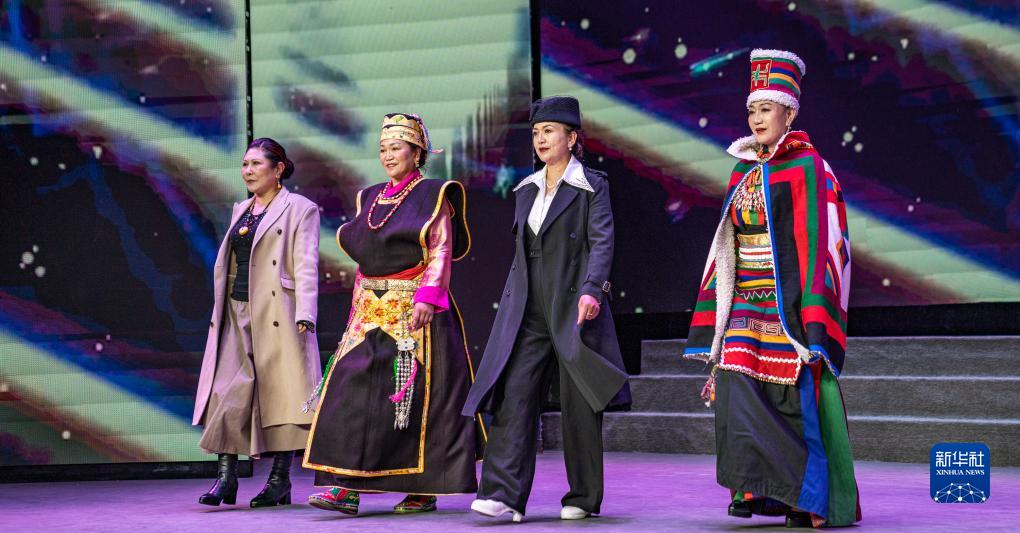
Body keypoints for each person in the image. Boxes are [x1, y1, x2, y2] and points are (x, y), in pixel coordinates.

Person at [683, 49, 861, 528]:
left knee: (791, 402)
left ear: (790, 112)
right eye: (752, 110)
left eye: (766, 109)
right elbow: (728, 242)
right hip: (745, 299)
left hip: (790, 305)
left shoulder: (808, 167)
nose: (757, 119)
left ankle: (807, 500)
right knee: (738, 391)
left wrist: (815, 315)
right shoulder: (742, 168)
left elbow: (821, 242)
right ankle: (759, 490)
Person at [462, 96, 631, 522]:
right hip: (529, 306)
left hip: (573, 302)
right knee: (515, 393)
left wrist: (593, 290)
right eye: (536, 132)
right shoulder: (526, 189)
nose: (541, 139)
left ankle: (583, 497)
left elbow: (602, 240)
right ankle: (502, 494)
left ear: (571, 138)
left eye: (550, 131)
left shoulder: (591, 185)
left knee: (579, 404)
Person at [302, 113, 479, 515]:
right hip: (369, 311)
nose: (387, 155)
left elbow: (440, 250)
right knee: (349, 390)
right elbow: (364, 262)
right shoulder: (369, 197)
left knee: (416, 402)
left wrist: (429, 298)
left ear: (417, 153)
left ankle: (423, 489)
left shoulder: (434, 195)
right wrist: (357, 305)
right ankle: (344, 485)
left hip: (416, 311)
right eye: (383, 149)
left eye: (396, 148)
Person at [193, 138, 322, 507]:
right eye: (244, 164)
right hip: (237, 311)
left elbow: (306, 263)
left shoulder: (300, 209)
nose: (247, 171)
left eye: (255, 164)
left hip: (279, 312)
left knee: (283, 395)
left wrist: (305, 312)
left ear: (278, 169)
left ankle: (280, 480)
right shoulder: (243, 209)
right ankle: (226, 477)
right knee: (227, 392)